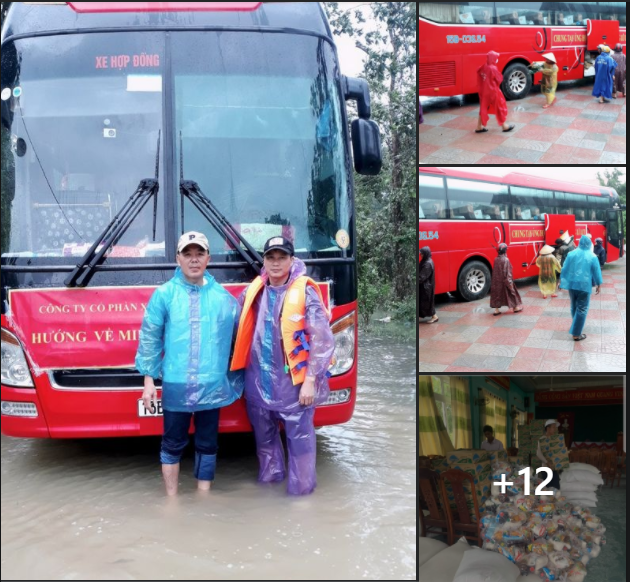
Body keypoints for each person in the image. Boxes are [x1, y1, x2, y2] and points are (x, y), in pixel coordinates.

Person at [136, 232, 242, 496]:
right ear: (178, 258)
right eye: (188, 254)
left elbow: (240, 339)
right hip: (176, 382)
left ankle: (203, 495)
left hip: (211, 383)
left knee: (208, 442)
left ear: (208, 258)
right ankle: (172, 499)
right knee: (172, 442)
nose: (194, 260)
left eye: (199, 254)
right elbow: (150, 337)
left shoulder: (223, 299)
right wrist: (149, 380)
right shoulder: (164, 295)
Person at [231, 236, 334, 495]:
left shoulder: (305, 291)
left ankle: (301, 497)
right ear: (264, 261)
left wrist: (310, 381)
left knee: (299, 442)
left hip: (294, 385)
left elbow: (322, 339)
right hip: (258, 383)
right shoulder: (255, 291)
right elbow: (234, 323)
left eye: (282, 257)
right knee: (264, 442)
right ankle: (269, 487)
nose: (276, 263)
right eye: (270, 258)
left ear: (291, 260)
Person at [559, 235, 603, 341]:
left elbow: (565, 268)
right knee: (582, 308)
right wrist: (598, 284)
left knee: (574, 307)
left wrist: (561, 281)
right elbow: (597, 271)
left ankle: (576, 326)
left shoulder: (571, 254)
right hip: (584, 286)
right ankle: (576, 333)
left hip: (572, 285)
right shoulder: (592, 256)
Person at [475, 51, 515, 133]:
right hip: (493, 91)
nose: (497, 59)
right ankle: (504, 126)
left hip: (485, 91)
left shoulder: (485, 65)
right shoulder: (493, 68)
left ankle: (479, 126)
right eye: (496, 58)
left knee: (483, 108)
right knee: (499, 107)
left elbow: (479, 71)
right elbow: (499, 79)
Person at [490, 243, 523, 315]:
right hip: (505, 280)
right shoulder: (506, 260)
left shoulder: (496, 259)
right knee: (511, 293)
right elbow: (507, 272)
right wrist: (510, 283)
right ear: (505, 250)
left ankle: (496, 310)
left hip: (497, 281)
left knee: (497, 294)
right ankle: (515, 308)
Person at [537, 420, 562, 489]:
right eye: (553, 427)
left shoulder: (555, 440)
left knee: (556, 488)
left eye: (555, 427)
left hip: (554, 468)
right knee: (548, 489)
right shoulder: (542, 439)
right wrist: (547, 462)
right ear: (548, 428)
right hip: (546, 468)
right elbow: (538, 453)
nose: (555, 429)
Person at [419, 246, 438, 324]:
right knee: (422, 302)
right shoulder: (425, 261)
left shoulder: (427, 263)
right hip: (424, 286)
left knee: (428, 302)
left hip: (426, 287)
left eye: (422, 254)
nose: (421, 255)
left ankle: (434, 316)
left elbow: (422, 277)